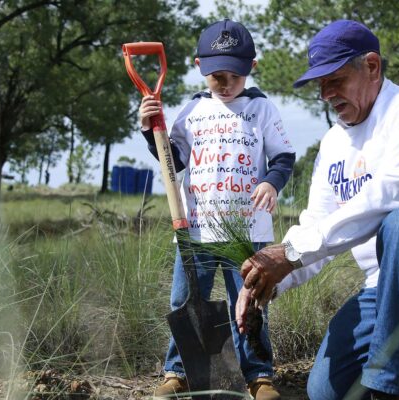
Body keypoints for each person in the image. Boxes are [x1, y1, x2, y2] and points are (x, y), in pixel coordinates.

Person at [234, 20, 399, 400]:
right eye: (320, 85)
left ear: (372, 66)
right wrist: (273, 278)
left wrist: (291, 255)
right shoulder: (332, 144)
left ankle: (392, 389)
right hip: (387, 285)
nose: (326, 94)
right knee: (325, 390)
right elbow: (317, 224)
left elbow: (397, 194)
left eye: (336, 80)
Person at [139, 19, 296, 400]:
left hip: (247, 233)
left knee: (252, 303)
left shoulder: (261, 108)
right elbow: (172, 160)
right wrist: (149, 130)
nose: (226, 83)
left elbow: (284, 157)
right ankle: (179, 371)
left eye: (235, 75)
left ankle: (258, 374)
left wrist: (270, 183)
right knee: (186, 300)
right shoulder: (192, 110)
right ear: (199, 67)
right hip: (196, 230)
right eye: (217, 76)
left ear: (251, 67)